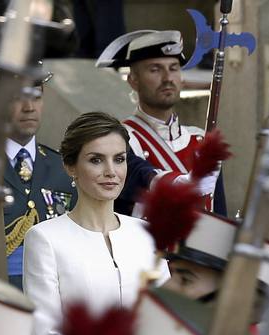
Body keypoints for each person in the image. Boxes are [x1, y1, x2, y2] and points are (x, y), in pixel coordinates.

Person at [24, 111, 158, 335]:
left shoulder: (147, 235)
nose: (111, 171)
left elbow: (168, 323)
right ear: (70, 166)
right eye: (96, 159)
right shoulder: (44, 238)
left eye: (119, 159)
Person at [0, 65, 76, 335]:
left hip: (50, 315)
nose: (29, 107)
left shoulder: (60, 168)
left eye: (36, 97)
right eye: (17, 98)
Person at [96, 29, 226, 215]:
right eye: (155, 69)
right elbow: (135, 174)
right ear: (133, 80)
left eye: (173, 68)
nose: (167, 78)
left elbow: (219, 216)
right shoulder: (120, 139)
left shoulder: (202, 140)